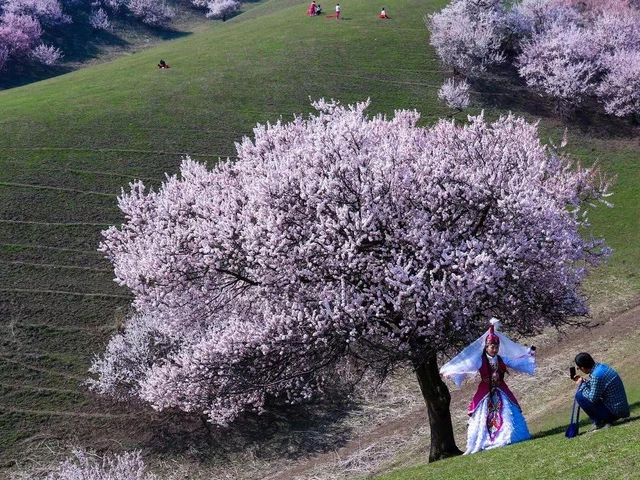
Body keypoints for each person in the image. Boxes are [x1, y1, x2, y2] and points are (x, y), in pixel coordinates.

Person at [440, 318, 536, 454]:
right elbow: (467, 365)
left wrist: (528, 354)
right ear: (486, 347)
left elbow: (515, 361)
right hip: (486, 392)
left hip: (501, 391)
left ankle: (509, 436)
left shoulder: (501, 359)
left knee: (508, 413)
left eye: (496, 347)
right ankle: (486, 441)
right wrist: (452, 371)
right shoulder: (480, 360)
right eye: (492, 347)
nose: (494, 349)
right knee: (484, 416)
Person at [573, 352, 630, 431]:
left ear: (582, 368)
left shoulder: (596, 375)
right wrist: (585, 382)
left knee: (579, 395)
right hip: (622, 410)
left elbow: (592, 398)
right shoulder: (601, 367)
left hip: (615, 413)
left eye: (578, 368)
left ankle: (599, 422)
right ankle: (601, 421)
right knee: (582, 393)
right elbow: (597, 388)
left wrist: (581, 385)